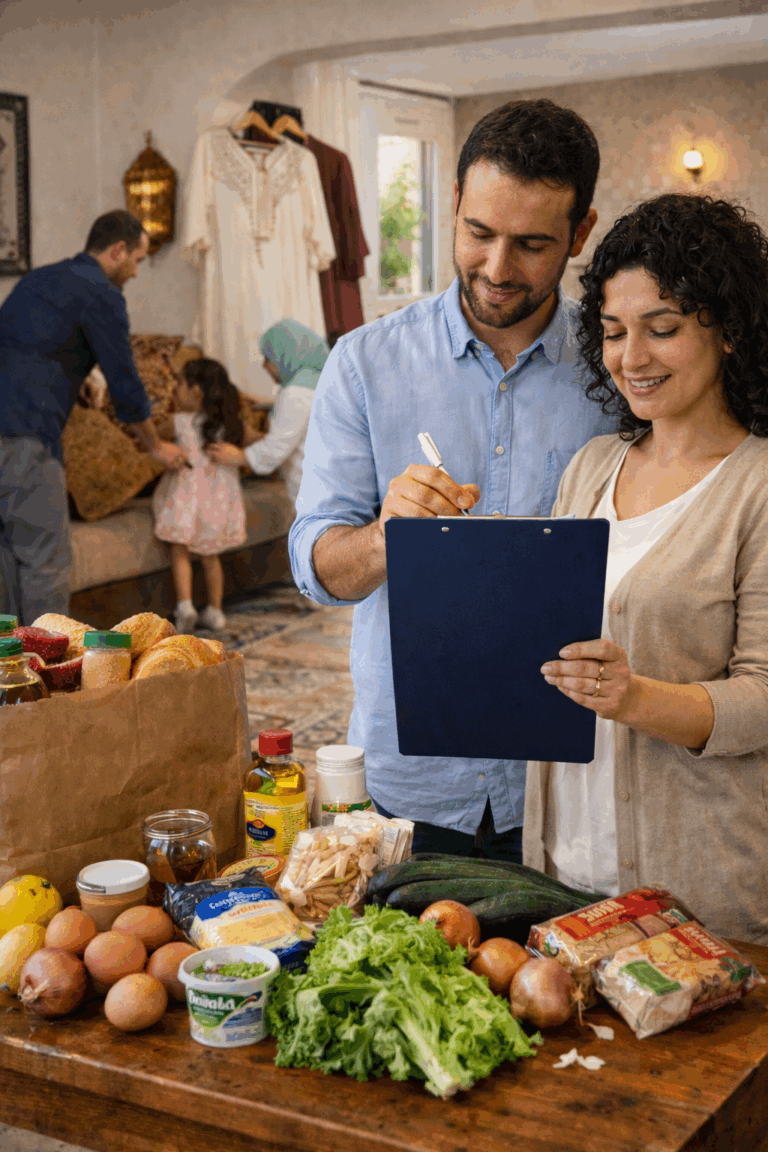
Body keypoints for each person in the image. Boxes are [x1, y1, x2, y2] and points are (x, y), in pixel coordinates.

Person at [289, 98, 618, 862]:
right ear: (455, 203)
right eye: (479, 233)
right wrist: (387, 537)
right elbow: (316, 571)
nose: (497, 269)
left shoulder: (619, 370)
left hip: (574, 784)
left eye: (531, 244)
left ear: (581, 233)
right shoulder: (362, 364)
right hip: (410, 782)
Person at [523, 193, 768, 944]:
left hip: (697, 887)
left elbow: (763, 698)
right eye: (614, 332)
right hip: (563, 868)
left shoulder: (757, 487)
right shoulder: (593, 466)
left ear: (728, 330)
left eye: (662, 329)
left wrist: (634, 697)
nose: (632, 358)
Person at [0, 209, 187, 624]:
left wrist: (78, 373)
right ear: (118, 250)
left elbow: (23, 347)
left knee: (7, 562)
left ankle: (9, 663)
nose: (136, 272)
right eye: (137, 260)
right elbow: (125, 385)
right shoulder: (102, 292)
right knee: (46, 562)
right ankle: (48, 665)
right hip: (27, 436)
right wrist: (154, 446)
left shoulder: (36, 280)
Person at [153, 358, 246, 633]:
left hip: (186, 496)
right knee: (210, 555)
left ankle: (185, 606)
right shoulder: (227, 424)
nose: (174, 389)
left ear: (195, 391)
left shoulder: (179, 422)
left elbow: (154, 440)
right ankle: (215, 610)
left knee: (180, 549)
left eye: (179, 383)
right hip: (216, 499)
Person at [206, 319, 329, 508]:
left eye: (268, 359)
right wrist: (271, 403)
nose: (264, 366)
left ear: (286, 356)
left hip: (316, 494)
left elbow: (276, 448)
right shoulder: (317, 382)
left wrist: (239, 456)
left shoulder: (295, 394)